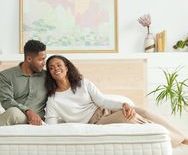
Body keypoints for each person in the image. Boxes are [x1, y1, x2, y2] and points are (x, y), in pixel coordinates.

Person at [45, 55, 188, 147]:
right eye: (51, 68)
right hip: (95, 121)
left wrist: (123, 104)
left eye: (58, 65)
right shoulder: (53, 99)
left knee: (142, 111)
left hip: (104, 110)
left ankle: (181, 138)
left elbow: (102, 101)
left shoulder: (83, 83)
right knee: (126, 117)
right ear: (50, 74)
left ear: (66, 67)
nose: (55, 69)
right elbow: (51, 125)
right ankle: (168, 138)